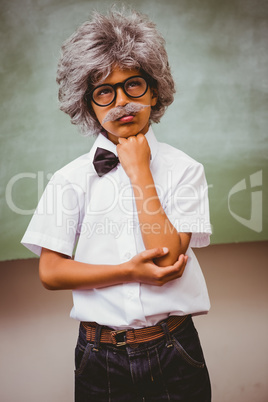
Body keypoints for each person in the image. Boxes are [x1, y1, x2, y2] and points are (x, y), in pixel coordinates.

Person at [22, 8, 212, 402]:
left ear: (155, 90)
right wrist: (127, 271)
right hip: (97, 355)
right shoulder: (70, 179)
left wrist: (140, 170)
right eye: (104, 91)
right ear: (88, 104)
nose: (121, 102)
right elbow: (51, 271)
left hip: (173, 349)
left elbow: (164, 261)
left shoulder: (185, 170)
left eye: (134, 85)